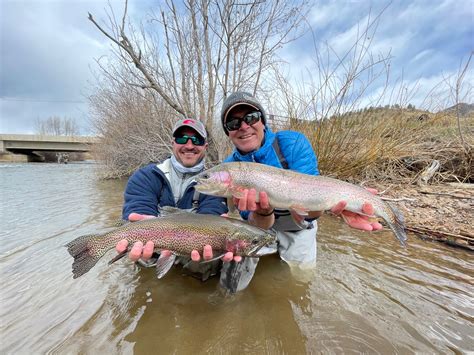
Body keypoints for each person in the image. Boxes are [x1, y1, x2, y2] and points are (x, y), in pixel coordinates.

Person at [194, 91, 383, 292]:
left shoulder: (292, 144)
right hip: (259, 226)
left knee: (300, 283)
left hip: (298, 225)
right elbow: (257, 224)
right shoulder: (230, 167)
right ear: (228, 132)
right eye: (233, 123)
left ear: (263, 121)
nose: (243, 126)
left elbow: (311, 212)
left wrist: (342, 203)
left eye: (251, 118)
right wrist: (263, 211)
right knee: (232, 286)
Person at [115, 118, 233, 281]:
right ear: (173, 143)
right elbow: (137, 212)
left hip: (195, 255)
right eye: (182, 138)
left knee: (212, 259)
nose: (189, 145)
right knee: (144, 271)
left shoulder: (215, 182)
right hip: (152, 251)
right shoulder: (145, 177)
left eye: (196, 140)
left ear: (205, 146)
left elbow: (212, 218)